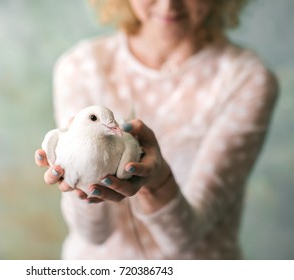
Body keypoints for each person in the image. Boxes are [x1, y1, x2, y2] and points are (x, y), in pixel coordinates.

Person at [35, 0, 278, 259]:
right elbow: (94, 234)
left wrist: (158, 182)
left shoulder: (246, 79)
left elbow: (183, 239)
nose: (168, 5)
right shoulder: (81, 66)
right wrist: (77, 179)